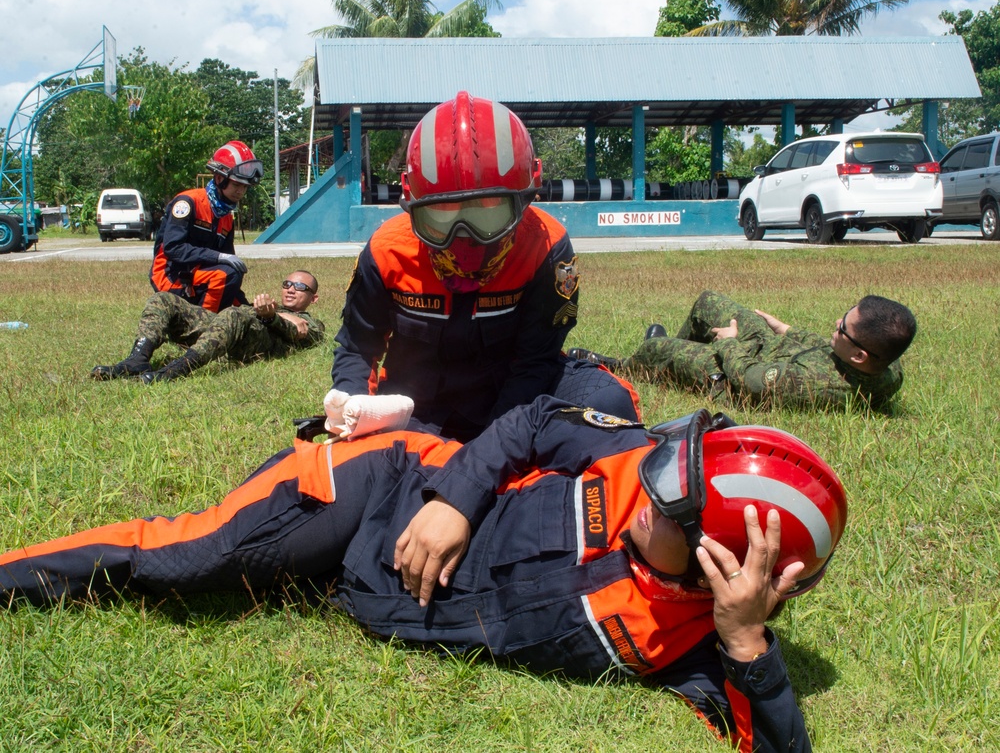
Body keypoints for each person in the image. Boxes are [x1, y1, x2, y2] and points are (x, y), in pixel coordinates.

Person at [0, 396, 846, 753]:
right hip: (387, 484)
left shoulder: (696, 648)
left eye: (667, 508)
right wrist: (457, 498)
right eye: (662, 469)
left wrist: (745, 643)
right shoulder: (638, 461)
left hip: (351, 584)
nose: (644, 493)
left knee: (254, 581)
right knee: (188, 562)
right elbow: (535, 419)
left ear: (720, 571)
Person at [331, 91, 640, 441]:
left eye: (488, 212)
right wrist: (350, 405)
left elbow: (534, 364)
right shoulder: (386, 250)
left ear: (527, 198)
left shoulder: (547, 247)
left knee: (608, 403)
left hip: (516, 398)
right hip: (418, 410)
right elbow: (358, 348)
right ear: (412, 205)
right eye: (442, 217)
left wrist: (493, 446)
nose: (466, 239)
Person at [570, 291, 916, 410]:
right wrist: (786, 330)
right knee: (710, 303)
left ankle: (629, 365)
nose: (835, 325)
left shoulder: (817, 384)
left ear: (859, 356)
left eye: (843, 328)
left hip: (737, 376)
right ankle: (667, 355)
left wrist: (731, 342)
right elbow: (823, 348)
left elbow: (750, 379)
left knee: (660, 348)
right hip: (772, 351)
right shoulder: (883, 361)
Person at [90, 270, 324, 383]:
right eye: (288, 284)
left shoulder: (313, 322)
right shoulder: (267, 305)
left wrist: (272, 318)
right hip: (224, 328)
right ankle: (137, 358)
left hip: (246, 339)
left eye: (300, 287)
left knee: (233, 314)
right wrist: (264, 311)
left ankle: (175, 370)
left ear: (313, 298)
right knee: (164, 299)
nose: (291, 289)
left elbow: (301, 333)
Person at [149, 141, 263, 313]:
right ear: (219, 178)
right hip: (170, 276)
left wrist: (248, 309)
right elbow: (173, 248)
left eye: (245, 187)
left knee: (232, 272)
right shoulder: (188, 202)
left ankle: (210, 321)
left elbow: (229, 270)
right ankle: (203, 325)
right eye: (236, 185)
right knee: (226, 273)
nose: (240, 192)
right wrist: (218, 256)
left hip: (198, 276)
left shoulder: (226, 216)